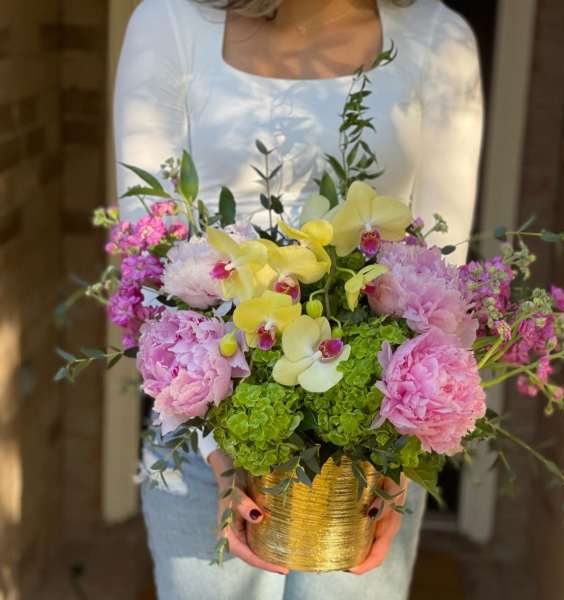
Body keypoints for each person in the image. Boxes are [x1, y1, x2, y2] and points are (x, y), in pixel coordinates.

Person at [114, 0, 484, 598]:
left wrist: (397, 462)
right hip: (203, 428)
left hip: (367, 452)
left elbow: (445, 278)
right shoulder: (171, 22)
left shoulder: (439, 38)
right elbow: (147, 254)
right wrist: (218, 451)